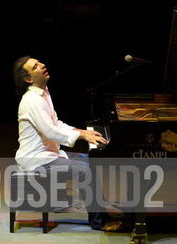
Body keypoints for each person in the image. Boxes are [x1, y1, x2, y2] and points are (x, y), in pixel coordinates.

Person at [12, 56, 114, 230]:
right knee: (84, 171)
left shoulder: (44, 93)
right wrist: (83, 137)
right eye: (35, 66)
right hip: (37, 160)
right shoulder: (32, 100)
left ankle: (100, 213)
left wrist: (82, 131)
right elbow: (51, 132)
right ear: (28, 79)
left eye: (40, 62)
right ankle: (99, 222)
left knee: (92, 161)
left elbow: (56, 124)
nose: (42, 65)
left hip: (49, 154)